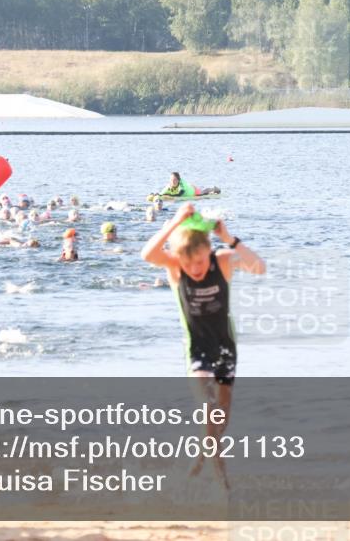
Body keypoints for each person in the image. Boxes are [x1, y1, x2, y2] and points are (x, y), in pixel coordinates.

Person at [141, 203, 265, 487]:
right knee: (208, 410)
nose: (194, 269)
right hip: (197, 350)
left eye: (199, 262)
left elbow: (259, 267)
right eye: (188, 263)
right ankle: (222, 483)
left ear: (208, 251)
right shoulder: (175, 268)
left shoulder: (222, 261)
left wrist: (229, 238)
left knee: (221, 420)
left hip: (225, 349)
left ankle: (199, 458)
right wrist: (174, 222)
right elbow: (147, 254)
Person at [154, 172, 220, 200]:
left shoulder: (182, 183)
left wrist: (168, 195)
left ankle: (213, 189)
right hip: (189, 188)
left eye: (174, 180)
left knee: (204, 193)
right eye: (171, 180)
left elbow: (179, 195)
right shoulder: (169, 185)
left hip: (194, 191)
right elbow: (161, 194)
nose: (172, 182)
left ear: (178, 180)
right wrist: (157, 195)